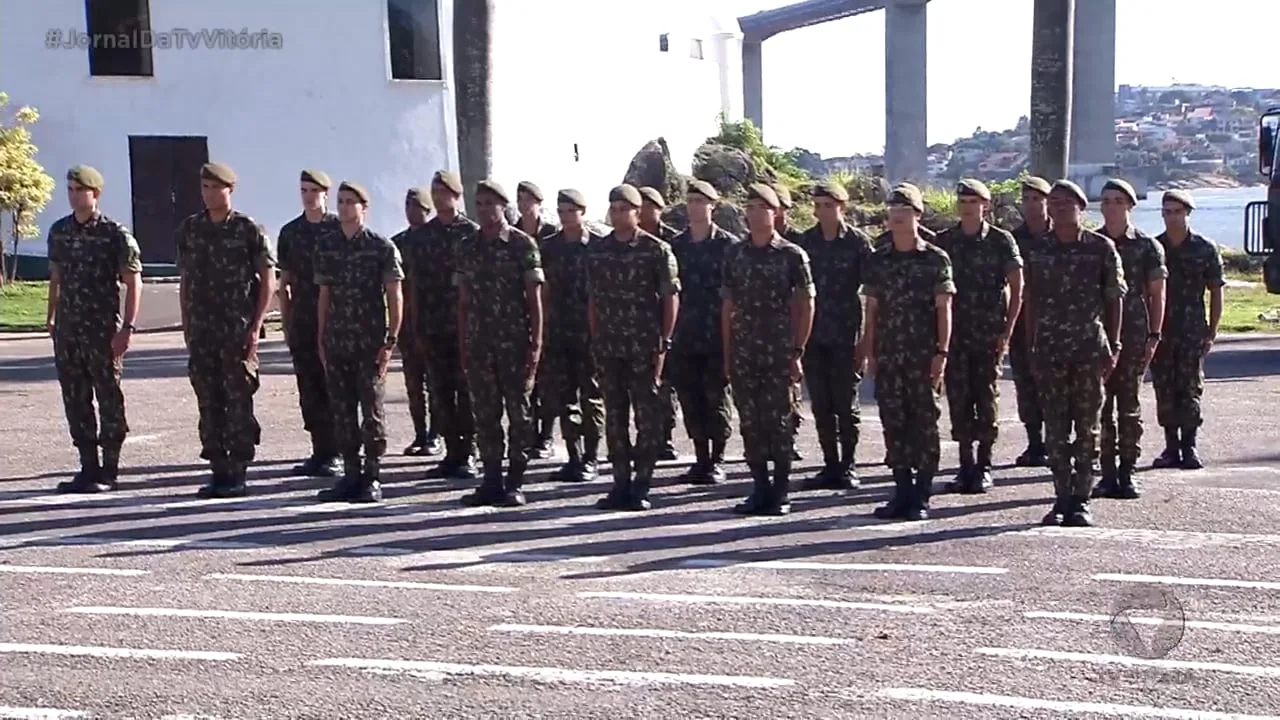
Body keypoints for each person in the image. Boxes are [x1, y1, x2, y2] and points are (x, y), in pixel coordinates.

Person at [1023, 179, 1125, 527]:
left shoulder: (1101, 248)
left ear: (1082, 208)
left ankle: (1081, 499)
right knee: (1055, 429)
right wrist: (1032, 345)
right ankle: (1061, 497)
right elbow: (1030, 301)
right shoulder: (1039, 249)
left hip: (1088, 351)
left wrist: (1114, 345)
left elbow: (1114, 300)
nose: (1060, 208)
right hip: (1050, 351)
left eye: (1067, 203)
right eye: (1055, 203)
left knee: (1087, 428)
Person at [176, 162, 275, 499]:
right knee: (208, 399)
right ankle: (217, 467)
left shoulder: (248, 229)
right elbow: (186, 279)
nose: (208, 194)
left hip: (237, 328)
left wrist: (256, 325)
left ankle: (238, 470)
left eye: (214, 188)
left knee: (238, 399)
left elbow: (267, 281)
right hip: (203, 330)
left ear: (229, 190)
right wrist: (187, 322)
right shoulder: (191, 229)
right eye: (204, 188)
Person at [860, 184, 954, 522]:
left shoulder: (934, 258)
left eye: (905, 210)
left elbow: (944, 308)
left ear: (918, 214)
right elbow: (871, 309)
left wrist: (942, 352)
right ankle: (901, 490)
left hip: (923, 355)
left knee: (925, 424)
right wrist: (868, 351)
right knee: (894, 424)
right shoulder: (879, 259)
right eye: (893, 210)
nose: (897, 216)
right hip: (889, 355)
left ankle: (922, 493)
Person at [45, 165, 143, 494]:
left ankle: (109, 469)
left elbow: (133, 281)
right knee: (76, 398)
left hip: (102, 331)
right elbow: (56, 278)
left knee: (108, 397)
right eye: (70, 190)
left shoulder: (115, 234)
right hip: (69, 331)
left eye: (79, 190)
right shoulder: (60, 231)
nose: (73, 196)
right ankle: (87, 467)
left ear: (95, 194)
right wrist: (52, 316)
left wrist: (127, 327)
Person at [722, 183, 815, 516]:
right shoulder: (735, 252)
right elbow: (728, 304)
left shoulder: (792, 255)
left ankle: (780, 491)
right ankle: (759, 487)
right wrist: (728, 350)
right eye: (750, 207)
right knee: (751, 422)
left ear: (776, 213)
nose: (754, 213)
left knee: (780, 423)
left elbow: (806, 304)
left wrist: (797, 350)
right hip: (745, 350)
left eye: (762, 207)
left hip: (779, 351)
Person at [589, 184, 680, 511]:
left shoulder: (656, 250)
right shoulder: (598, 250)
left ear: (637, 212)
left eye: (623, 208)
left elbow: (670, 298)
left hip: (644, 347)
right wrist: (596, 336)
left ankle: (642, 483)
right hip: (610, 347)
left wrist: (664, 342)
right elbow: (594, 299)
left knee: (647, 418)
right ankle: (620, 482)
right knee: (614, 418)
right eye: (613, 208)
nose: (617, 214)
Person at [455, 180, 544, 507]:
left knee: (519, 415)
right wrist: (464, 342)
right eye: (478, 204)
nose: (484, 210)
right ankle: (491, 480)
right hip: (480, 343)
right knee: (485, 414)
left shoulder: (522, 245)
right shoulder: (467, 247)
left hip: (514, 344)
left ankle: (515, 480)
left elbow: (535, 301)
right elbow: (463, 301)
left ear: (503, 207)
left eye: (490, 204)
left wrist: (535, 344)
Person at [314, 181, 404, 502]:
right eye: (340, 201)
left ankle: (372, 476)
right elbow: (324, 294)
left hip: (369, 344)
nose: (344, 207)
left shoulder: (381, 247)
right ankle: (350, 475)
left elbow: (394, 295)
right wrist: (321, 336)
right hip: (337, 341)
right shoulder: (327, 246)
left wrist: (391, 340)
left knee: (372, 413)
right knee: (342, 411)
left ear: (364, 208)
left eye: (351, 202)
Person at [932, 179, 1024, 494]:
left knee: (985, 398)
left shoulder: (1001, 241)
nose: (968, 207)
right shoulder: (945, 241)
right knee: (958, 398)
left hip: (988, 333)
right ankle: (965, 464)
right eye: (964, 202)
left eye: (974, 202)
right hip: (956, 334)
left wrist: (1008, 329)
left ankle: (984, 465)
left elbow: (1017, 287)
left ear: (986, 206)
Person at [1091, 178, 1167, 499]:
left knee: (1129, 405)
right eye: (1106, 201)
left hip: (1135, 334)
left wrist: (1154, 335)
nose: (1110, 207)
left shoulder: (1147, 246)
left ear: (1130, 206)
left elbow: (1157, 294)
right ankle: (1107, 472)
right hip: (1100, 334)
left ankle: (1128, 471)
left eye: (1117, 201)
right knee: (1101, 407)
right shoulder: (1091, 243)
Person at [796, 181, 873, 490]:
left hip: (845, 335)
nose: (822, 211)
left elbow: (872, 294)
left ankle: (848, 465)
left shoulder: (857, 243)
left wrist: (866, 343)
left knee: (846, 405)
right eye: (818, 206)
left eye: (829, 205)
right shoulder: (806, 243)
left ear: (842, 206)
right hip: (814, 336)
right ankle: (830, 464)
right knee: (821, 404)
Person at [406, 170, 478, 481]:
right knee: (441, 392)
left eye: (444, 191)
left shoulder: (472, 234)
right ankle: (451, 452)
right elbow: (416, 286)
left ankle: (470, 453)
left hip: (466, 327)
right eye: (435, 192)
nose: (438, 197)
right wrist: (418, 326)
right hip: (434, 326)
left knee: (468, 393)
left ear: (456, 195)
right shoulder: (423, 237)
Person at [669, 180, 739, 484]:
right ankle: (700, 456)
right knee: (690, 398)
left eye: (701, 201)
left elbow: (737, 294)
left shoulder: (729, 246)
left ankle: (716, 458)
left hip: (717, 335)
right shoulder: (677, 246)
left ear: (714, 206)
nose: (695, 206)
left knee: (717, 399)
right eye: (691, 200)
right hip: (685, 334)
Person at [277, 169, 343, 478]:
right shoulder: (291, 233)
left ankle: (340, 451)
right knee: (309, 387)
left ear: (325, 194)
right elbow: (285, 283)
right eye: (303, 190)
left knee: (335, 387)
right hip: (304, 319)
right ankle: (320, 449)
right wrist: (287, 323)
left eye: (313, 191)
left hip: (336, 320)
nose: (308, 196)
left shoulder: (338, 229)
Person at [1151, 190, 1222, 470]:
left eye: (1176, 211)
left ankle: (1189, 446)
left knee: (1190, 388)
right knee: (1164, 388)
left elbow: (1216, 290)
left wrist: (1213, 330)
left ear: (1187, 213)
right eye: (1167, 212)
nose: (1171, 217)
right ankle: (1171, 447)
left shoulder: (1204, 248)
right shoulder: (1154, 248)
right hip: (1162, 330)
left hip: (1192, 329)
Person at [540, 189, 606, 482]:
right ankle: (574, 455)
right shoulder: (549, 247)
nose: (566, 217)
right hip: (559, 331)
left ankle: (592, 456)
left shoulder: (599, 247)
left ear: (582, 211)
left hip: (590, 332)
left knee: (591, 396)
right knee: (564, 398)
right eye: (562, 211)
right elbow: (543, 291)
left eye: (571, 211)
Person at [391, 188, 442, 458]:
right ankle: (420, 433)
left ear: (427, 210)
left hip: (434, 322)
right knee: (413, 384)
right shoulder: (398, 243)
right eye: (408, 206)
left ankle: (436, 434)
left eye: (417, 207)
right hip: (409, 324)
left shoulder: (435, 240)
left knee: (435, 383)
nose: (412, 211)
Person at [1008, 176, 1054, 466]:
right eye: (1027, 199)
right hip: (1023, 324)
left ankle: (1056, 441)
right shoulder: (1014, 240)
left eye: (1037, 198)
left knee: (1055, 386)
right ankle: (1035, 443)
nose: (1032, 204)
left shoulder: (1060, 235)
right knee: (1026, 384)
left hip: (1056, 324)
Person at [515, 180, 560, 460]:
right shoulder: (514, 233)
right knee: (524, 379)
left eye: (528, 200)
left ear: (538, 203)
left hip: (551, 314)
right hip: (519, 314)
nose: (523, 204)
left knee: (547, 380)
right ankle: (527, 432)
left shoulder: (550, 234)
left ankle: (546, 435)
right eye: (520, 199)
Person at [638, 185, 682, 462]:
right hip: (637, 326)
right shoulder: (626, 241)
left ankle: (665, 437)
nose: (643, 211)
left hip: (666, 322)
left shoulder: (672, 242)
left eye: (648, 205)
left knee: (665, 386)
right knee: (641, 388)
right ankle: (646, 435)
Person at [770, 182, 806, 461]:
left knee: (789, 392)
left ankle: (789, 439)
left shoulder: (797, 244)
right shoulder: (750, 245)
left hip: (792, 329)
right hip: (763, 334)